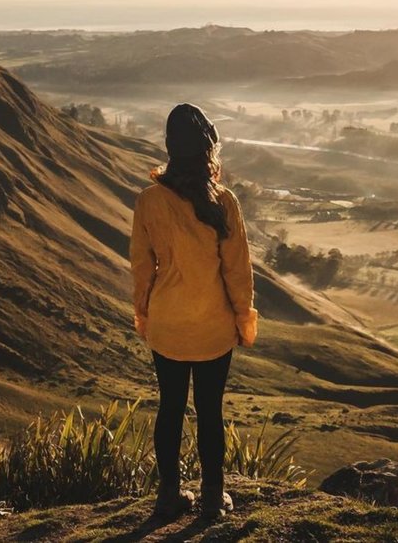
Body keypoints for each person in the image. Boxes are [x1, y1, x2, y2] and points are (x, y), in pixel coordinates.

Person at [130, 103, 258, 522]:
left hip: (168, 324)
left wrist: (144, 315)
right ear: (208, 147)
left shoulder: (149, 201)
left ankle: (168, 496)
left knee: (169, 408)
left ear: (170, 147)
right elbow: (238, 272)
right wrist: (243, 319)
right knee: (210, 411)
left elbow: (142, 267)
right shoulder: (224, 202)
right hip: (212, 327)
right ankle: (211, 497)